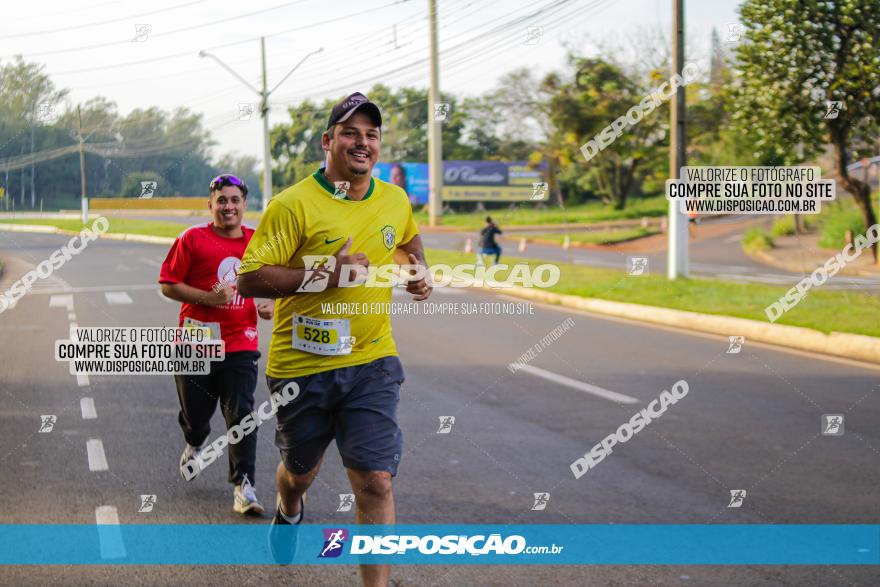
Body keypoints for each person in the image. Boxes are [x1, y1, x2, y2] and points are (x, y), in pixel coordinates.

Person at [237, 91, 431, 586]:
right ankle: (290, 502)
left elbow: (407, 240)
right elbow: (250, 279)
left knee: (375, 482)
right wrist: (325, 272)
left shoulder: (393, 198)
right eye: (350, 132)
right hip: (302, 365)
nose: (362, 142)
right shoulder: (293, 205)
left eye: (371, 135)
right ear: (328, 141)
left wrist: (418, 270)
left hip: (371, 361)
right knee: (300, 471)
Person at [158, 174, 274, 515]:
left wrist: (270, 302)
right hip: (196, 340)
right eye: (221, 200)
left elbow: (275, 283)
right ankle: (195, 440)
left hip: (240, 342)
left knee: (241, 412)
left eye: (234, 200)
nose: (228, 206)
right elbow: (168, 284)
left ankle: (244, 486)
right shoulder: (192, 238)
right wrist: (208, 297)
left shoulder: (258, 242)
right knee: (195, 414)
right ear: (211, 205)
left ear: (244, 204)